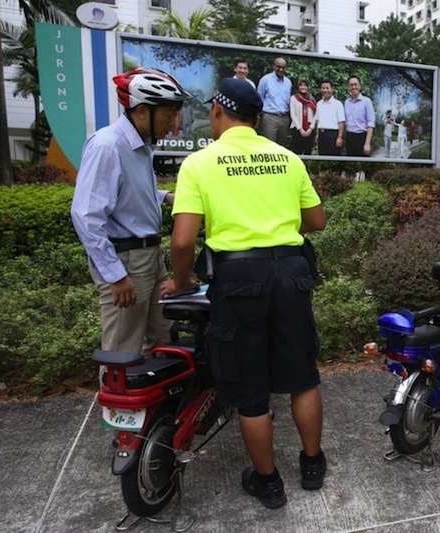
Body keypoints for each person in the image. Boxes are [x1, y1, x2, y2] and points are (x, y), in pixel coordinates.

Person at [160, 78, 327, 508]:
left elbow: (182, 242)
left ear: (218, 111)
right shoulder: (288, 159)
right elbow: (317, 220)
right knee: (302, 376)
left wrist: (180, 283)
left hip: (237, 279)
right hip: (291, 273)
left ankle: (268, 483)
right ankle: (312, 464)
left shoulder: (200, 163)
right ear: (256, 119)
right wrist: (281, 228)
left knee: (251, 389)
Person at [71, 67, 192, 368]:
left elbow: (127, 192)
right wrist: (115, 275)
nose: (175, 124)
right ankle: (115, 415)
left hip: (149, 256)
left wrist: (165, 197)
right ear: (141, 111)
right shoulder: (107, 146)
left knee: (165, 343)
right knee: (121, 353)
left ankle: (156, 413)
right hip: (126, 261)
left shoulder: (140, 147)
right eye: (170, 114)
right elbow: (86, 215)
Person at [257, 57, 292, 146]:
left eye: (283, 67)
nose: (281, 69)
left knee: (282, 147)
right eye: (278, 66)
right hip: (270, 117)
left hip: (284, 118)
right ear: (273, 66)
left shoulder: (288, 82)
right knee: (269, 146)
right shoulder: (265, 80)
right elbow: (259, 98)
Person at [343, 76, 374, 156]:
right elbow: (345, 123)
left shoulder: (367, 101)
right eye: (351, 85)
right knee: (350, 164)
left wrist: (367, 144)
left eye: (355, 84)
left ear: (360, 86)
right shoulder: (347, 102)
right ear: (348, 87)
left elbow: (370, 123)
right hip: (349, 138)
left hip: (361, 137)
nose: (354, 87)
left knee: (363, 164)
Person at [313, 80, 345, 156]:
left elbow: (341, 122)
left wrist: (340, 137)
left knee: (333, 158)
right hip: (322, 135)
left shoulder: (338, 104)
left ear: (332, 89)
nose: (325, 90)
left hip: (333, 135)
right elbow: (318, 120)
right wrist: (317, 134)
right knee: (322, 157)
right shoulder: (319, 103)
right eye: (323, 88)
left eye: (327, 88)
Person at [289, 78, 317, 155]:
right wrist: (300, 129)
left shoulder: (312, 99)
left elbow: (316, 115)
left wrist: (311, 128)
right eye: (301, 85)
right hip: (297, 129)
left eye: (305, 85)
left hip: (309, 129)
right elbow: (293, 114)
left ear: (307, 87)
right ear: (298, 86)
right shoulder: (294, 98)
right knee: (297, 152)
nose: (303, 87)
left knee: (308, 152)